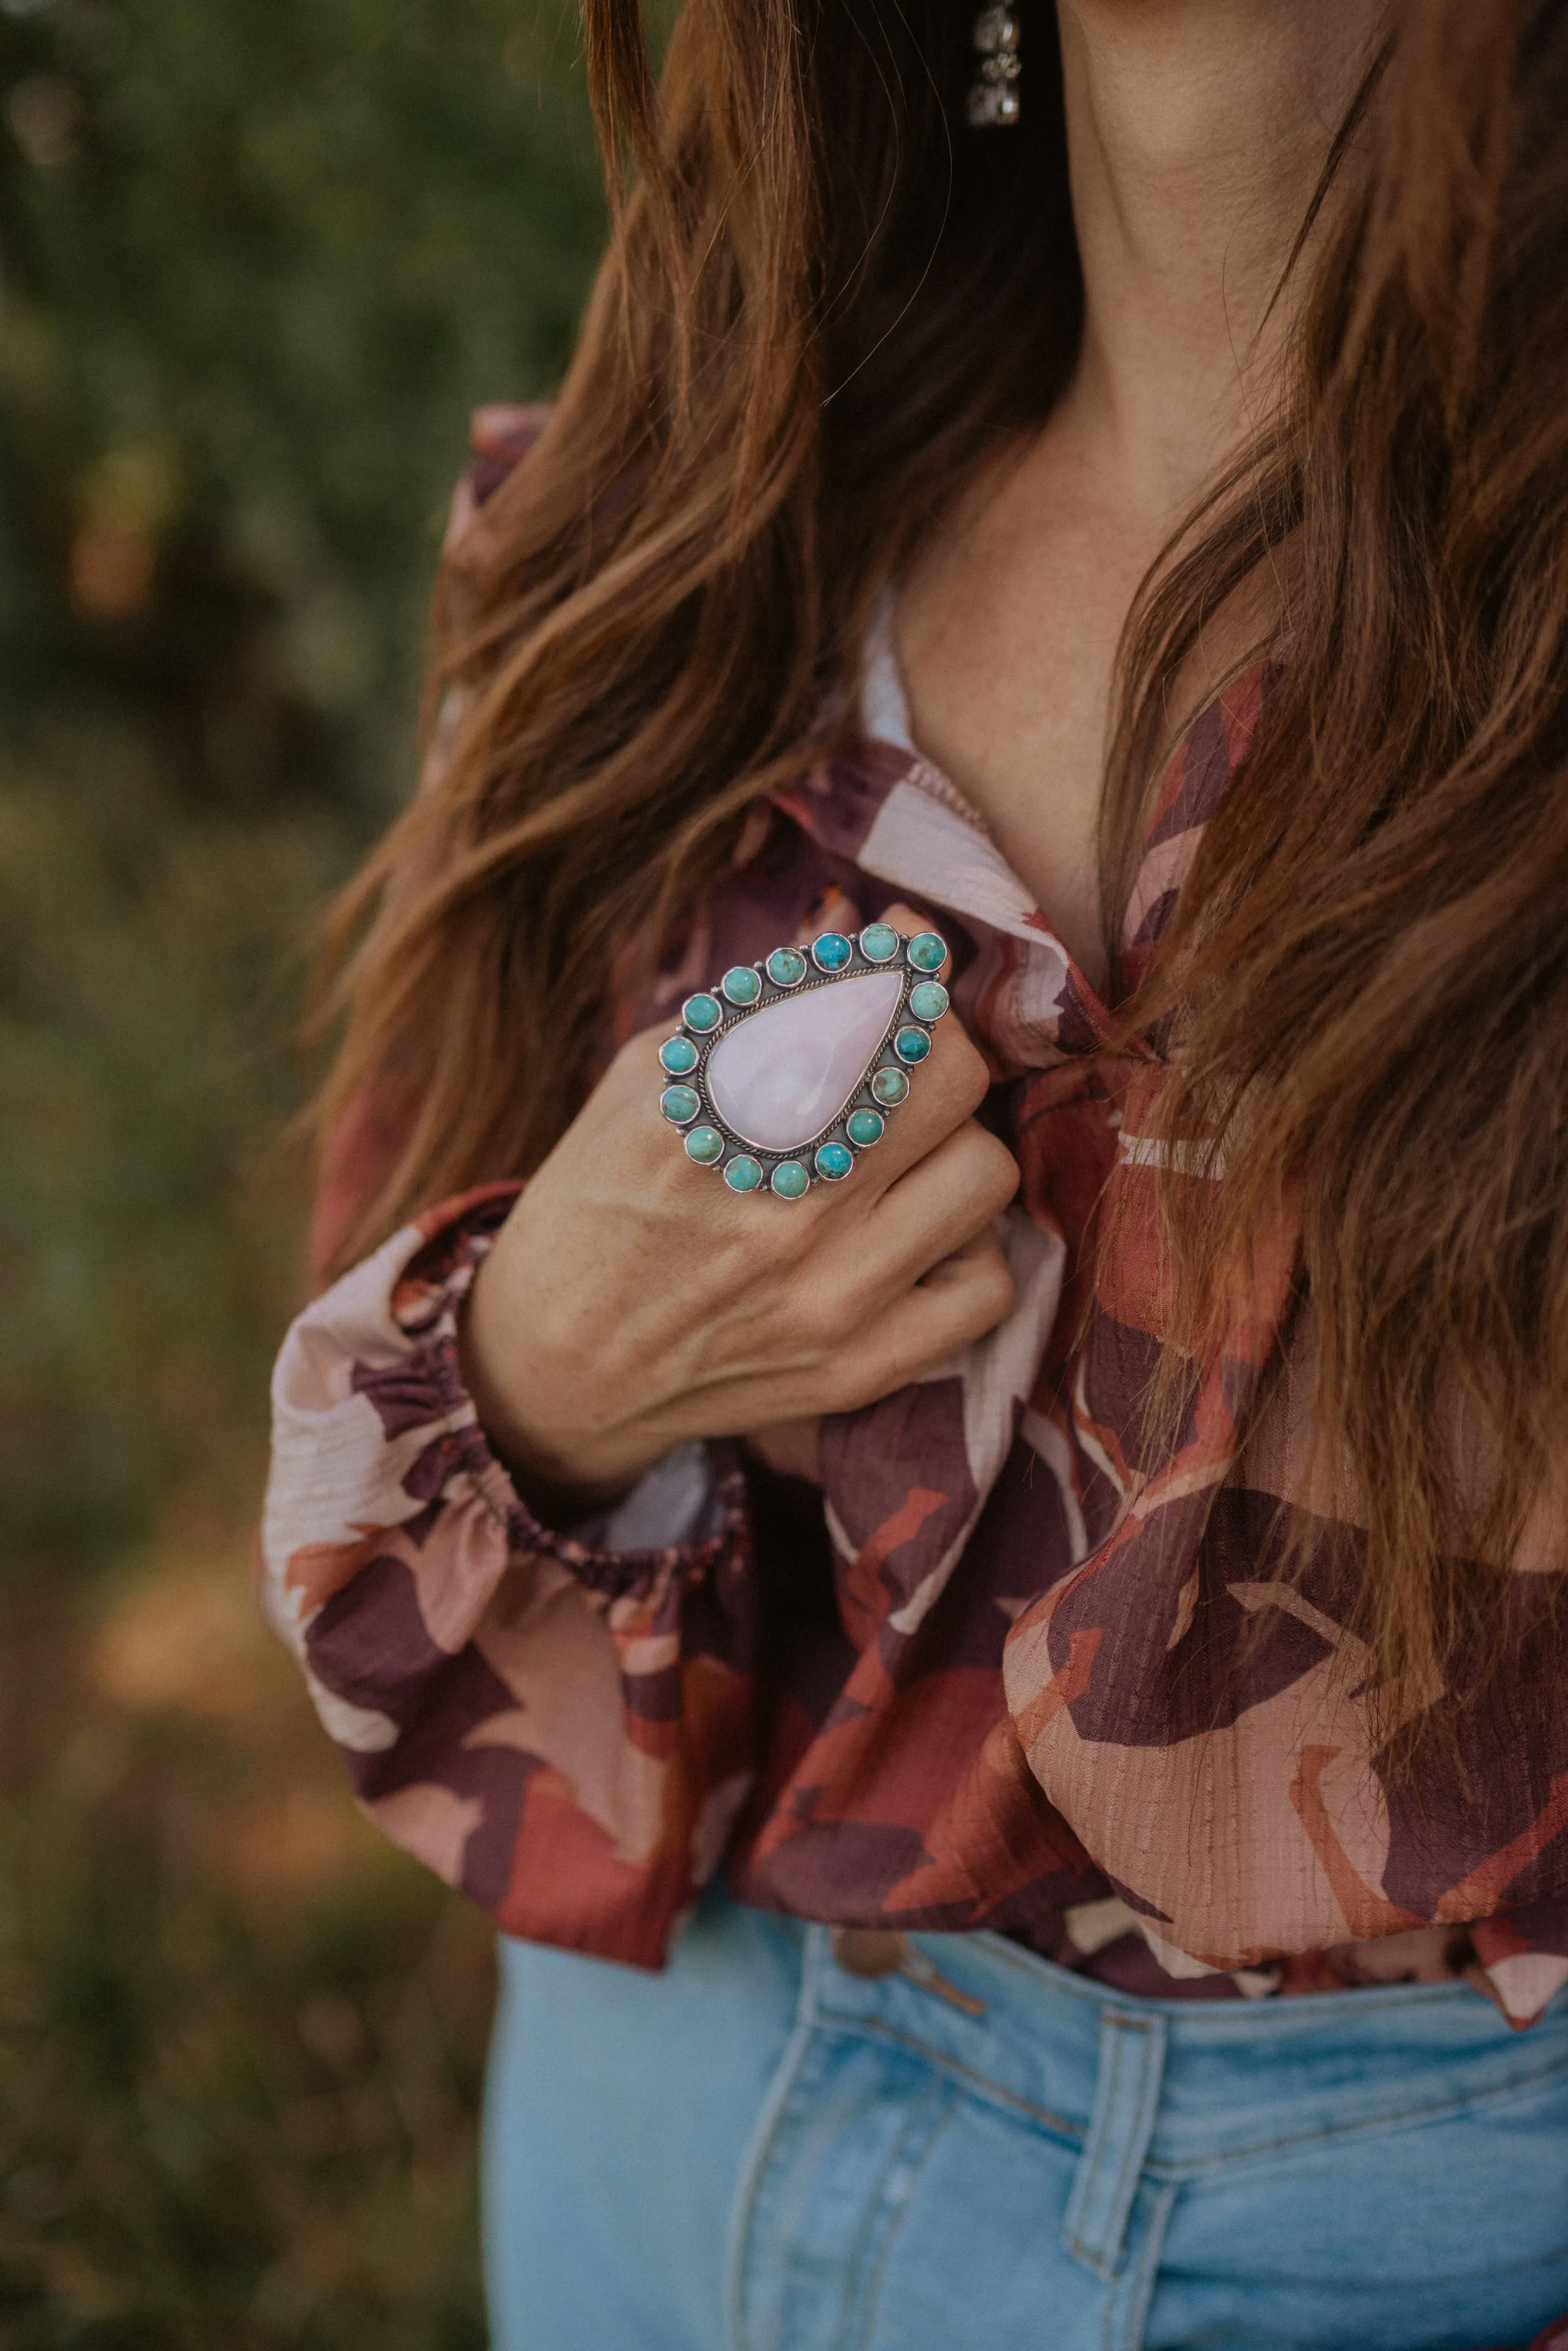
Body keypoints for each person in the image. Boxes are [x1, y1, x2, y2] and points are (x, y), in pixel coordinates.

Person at [261, 0, 1568, 2342]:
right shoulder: (687, 539)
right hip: (654, 2114)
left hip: (1384, 2241)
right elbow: (413, 1411)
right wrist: (548, 1362)